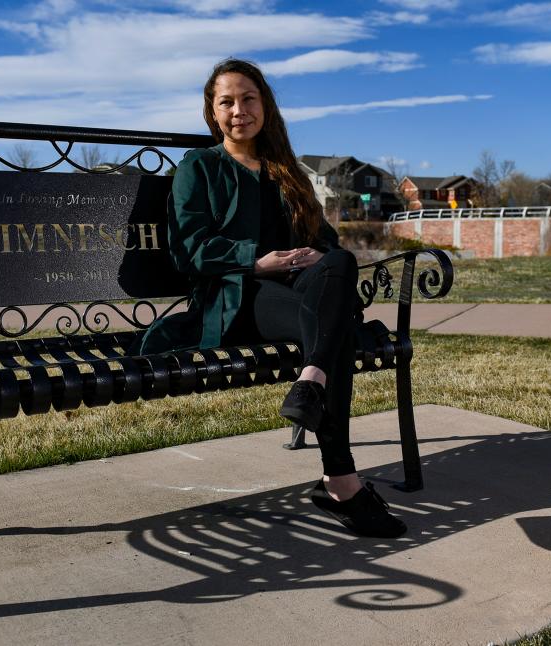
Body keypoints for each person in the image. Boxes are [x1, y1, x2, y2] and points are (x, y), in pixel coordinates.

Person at [139, 58, 405, 538]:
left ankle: (311, 381)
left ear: (265, 106)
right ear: (212, 112)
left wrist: (311, 258)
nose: (239, 110)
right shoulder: (199, 167)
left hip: (297, 291)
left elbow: (325, 244)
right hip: (238, 294)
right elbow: (189, 249)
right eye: (227, 102)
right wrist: (258, 262)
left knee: (340, 263)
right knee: (335, 327)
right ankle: (340, 480)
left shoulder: (287, 171)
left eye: (248, 98)